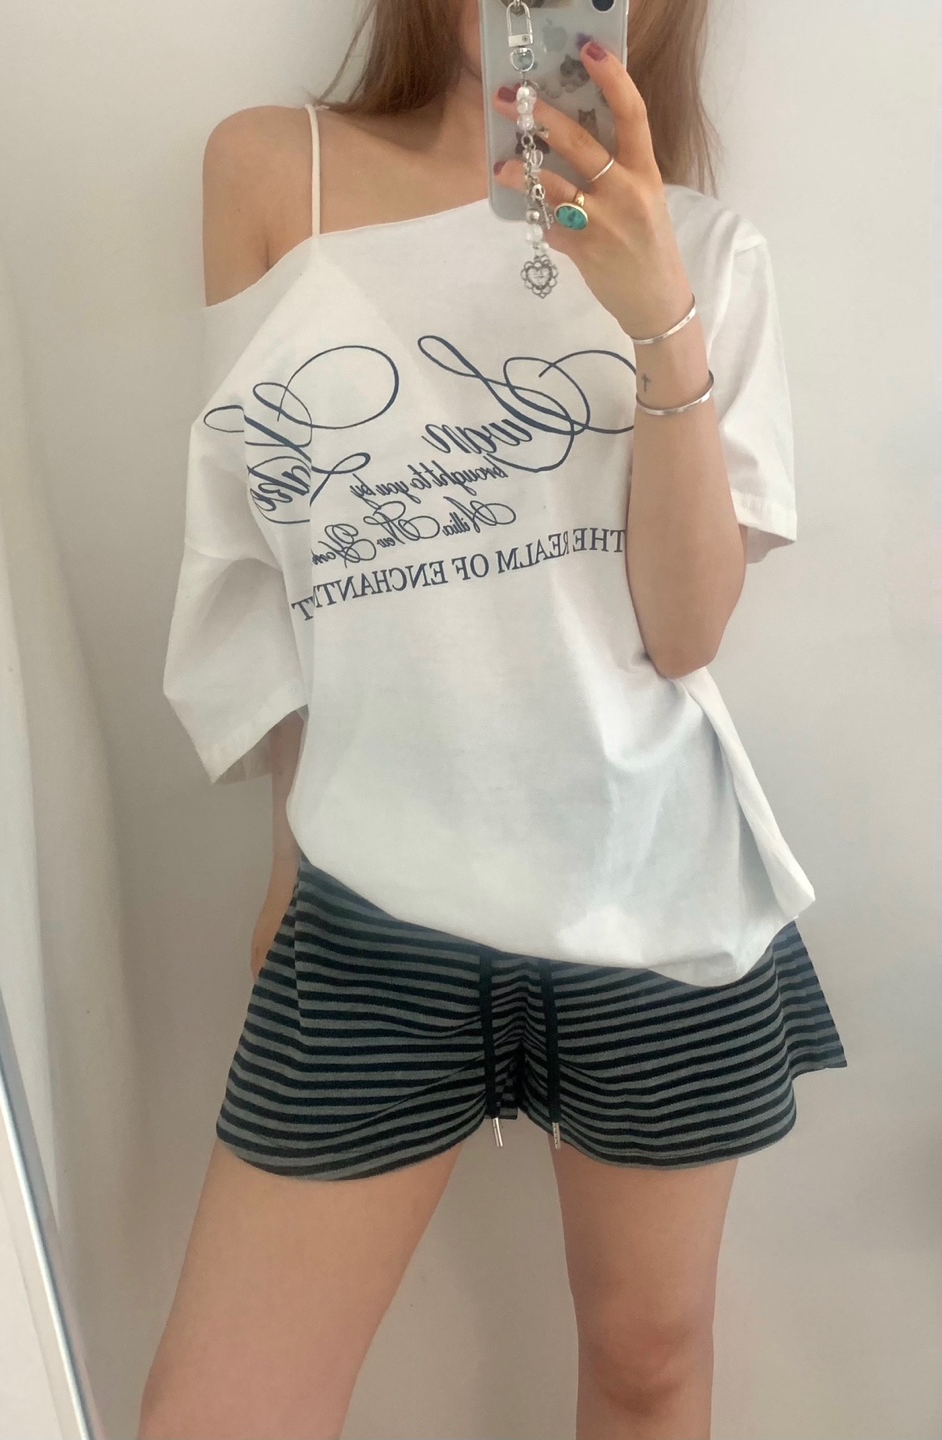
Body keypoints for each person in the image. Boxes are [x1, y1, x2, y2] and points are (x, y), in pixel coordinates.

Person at [142, 1, 847, 1436]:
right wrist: (288, 860)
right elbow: (270, 565)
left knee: (648, 1370)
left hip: (651, 879)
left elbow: (683, 632)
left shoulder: (706, 250)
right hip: (372, 891)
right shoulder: (273, 172)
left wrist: (657, 317)